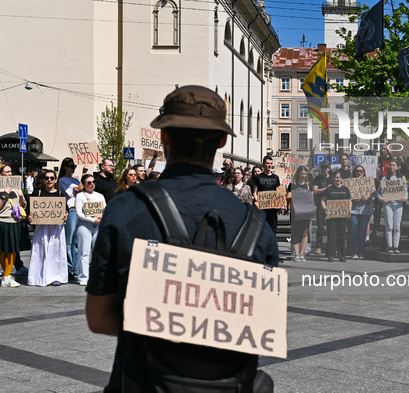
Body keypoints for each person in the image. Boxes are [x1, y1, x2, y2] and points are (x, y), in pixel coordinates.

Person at [85, 85, 279, 393]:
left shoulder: (125, 209)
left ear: (164, 136)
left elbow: (98, 319)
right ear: (223, 140)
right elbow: (261, 325)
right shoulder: (255, 225)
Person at [26, 170, 68, 286]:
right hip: (41, 227)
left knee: (56, 252)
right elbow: (30, 210)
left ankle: (56, 276)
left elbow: (66, 210)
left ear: (55, 180)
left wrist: (65, 214)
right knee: (40, 251)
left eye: (52, 178)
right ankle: (38, 276)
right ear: (43, 180)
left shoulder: (60, 194)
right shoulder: (37, 193)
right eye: (47, 178)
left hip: (56, 228)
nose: (49, 180)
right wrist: (30, 218)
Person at [0, 163, 29, 287]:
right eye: (7, 172)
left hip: (15, 221)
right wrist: (4, 195)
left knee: (12, 250)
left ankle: (6, 276)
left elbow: (22, 205)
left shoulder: (15, 186)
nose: (10, 174)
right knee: (2, 250)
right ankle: (7, 276)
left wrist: (21, 196)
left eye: (11, 171)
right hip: (3, 220)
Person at [58, 158, 87, 279]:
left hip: (81, 209)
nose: (74, 168)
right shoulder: (63, 180)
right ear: (65, 167)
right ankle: (70, 267)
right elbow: (78, 189)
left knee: (76, 241)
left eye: (74, 166)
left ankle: (75, 268)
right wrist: (84, 173)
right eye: (71, 166)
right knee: (69, 241)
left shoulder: (75, 179)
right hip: (73, 210)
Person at [76, 174, 105, 285]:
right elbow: (79, 213)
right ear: (83, 184)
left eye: (93, 182)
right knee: (84, 252)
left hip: (98, 226)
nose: (92, 184)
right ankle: (83, 277)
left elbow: (104, 209)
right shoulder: (80, 196)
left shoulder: (100, 196)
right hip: (85, 225)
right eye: (88, 182)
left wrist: (101, 218)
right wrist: (93, 220)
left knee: (97, 251)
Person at [377, 160, 407, 254]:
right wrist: (381, 198)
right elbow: (378, 192)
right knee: (389, 225)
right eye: (390, 165)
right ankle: (389, 246)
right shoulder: (385, 178)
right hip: (388, 204)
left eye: (394, 165)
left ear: (398, 167)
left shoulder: (401, 178)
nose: (391, 167)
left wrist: (405, 198)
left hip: (398, 204)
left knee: (397, 226)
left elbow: (405, 191)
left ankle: (396, 245)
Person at [321, 171, 350, 262]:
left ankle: (342, 255)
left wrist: (349, 210)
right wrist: (325, 210)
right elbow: (322, 200)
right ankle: (331, 255)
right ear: (333, 178)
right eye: (336, 177)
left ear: (342, 179)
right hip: (331, 217)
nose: (338, 179)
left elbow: (349, 200)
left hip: (342, 216)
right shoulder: (329, 189)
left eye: (339, 177)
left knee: (341, 235)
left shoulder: (345, 189)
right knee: (331, 236)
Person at [287, 165, 313, 262]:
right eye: (301, 174)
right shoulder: (292, 185)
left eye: (305, 174)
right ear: (298, 174)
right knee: (295, 232)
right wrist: (295, 194)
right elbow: (288, 197)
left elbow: (311, 199)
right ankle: (296, 254)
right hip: (295, 211)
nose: (303, 175)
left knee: (305, 233)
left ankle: (302, 253)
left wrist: (311, 213)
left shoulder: (308, 185)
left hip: (305, 211)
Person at [349, 165, 372, 259]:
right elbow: (347, 196)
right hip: (353, 210)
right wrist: (354, 199)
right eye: (357, 171)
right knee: (354, 231)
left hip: (365, 211)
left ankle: (361, 251)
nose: (359, 173)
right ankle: (354, 251)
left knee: (362, 232)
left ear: (364, 172)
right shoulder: (350, 183)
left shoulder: (368, 183)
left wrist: (368, 199)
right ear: (354, 173)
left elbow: (373, 197)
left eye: (361, 171)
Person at [253, 155, 281, 234]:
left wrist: (281, 202)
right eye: (268, 163)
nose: (269, 165)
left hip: (272, 208)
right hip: (262, 208)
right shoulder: (258, 177)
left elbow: (278, 192)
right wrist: (257, 201)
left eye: (271, 163)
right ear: (263, 164)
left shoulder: (276, 177)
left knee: (273, 230)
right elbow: (255, 192)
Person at [312, 161, 331, 255]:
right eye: (323, 167)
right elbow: (315, 191)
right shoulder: (317, 178)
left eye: (326, 167)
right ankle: (318, 246)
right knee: (320, 227)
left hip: (331, 205)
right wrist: (326, 189)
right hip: (320, 204)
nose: (325, 169)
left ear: (329, 168)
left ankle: (331, 246)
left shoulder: (332, 178)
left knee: (331, 227)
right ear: (321, 168)